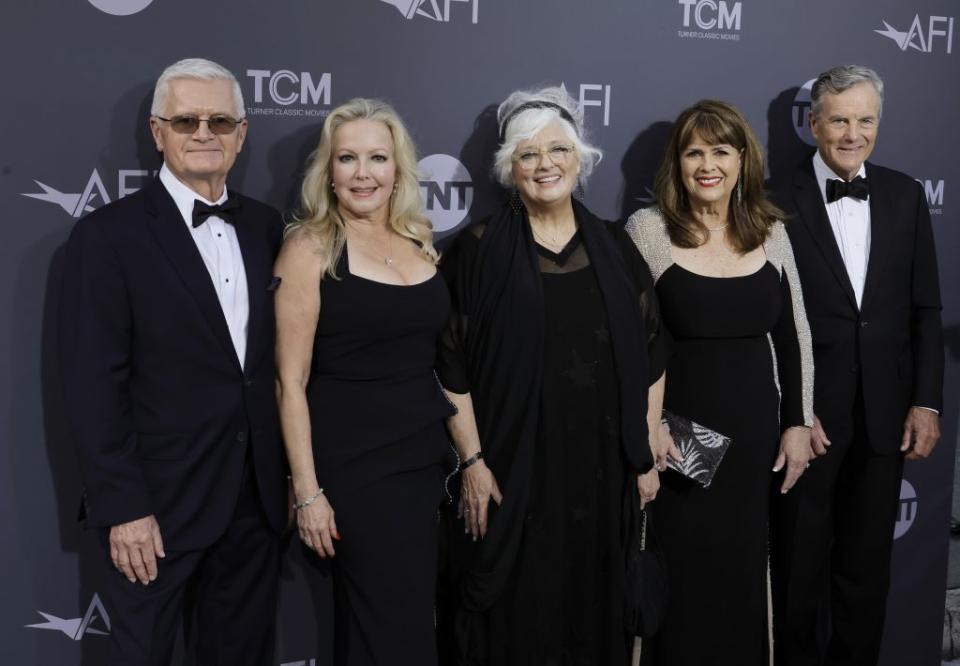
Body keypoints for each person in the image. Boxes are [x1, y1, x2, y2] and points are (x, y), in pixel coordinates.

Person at [58, 58, 287, 665]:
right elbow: (92, 385)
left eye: (219, 120)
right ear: (158, 132)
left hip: (254, 504)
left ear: (242, 134)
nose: (203, 133)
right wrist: (124, 507)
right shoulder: (107, 238)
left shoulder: (268, 229)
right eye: (186, 120)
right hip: (154, 509)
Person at [436, 86, 669, 666]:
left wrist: (641, 452)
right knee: (517, 611)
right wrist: (472, 461)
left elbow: (652, 352)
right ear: (509, 168)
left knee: (595, 607)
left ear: (580, 158)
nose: (546, 166)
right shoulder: (478, 250)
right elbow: (449, 363)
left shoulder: (616, 245)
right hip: (514, 469)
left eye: (558, 150)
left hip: (601, 466)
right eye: (528, 154)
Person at [625, 99, 814, 666]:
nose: (708, 164)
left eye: (721, 151)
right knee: (681, 572)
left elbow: (794, 332)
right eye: (694, 152)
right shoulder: (649, 230)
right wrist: (647, 430)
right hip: (679, 440)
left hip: (756, 437)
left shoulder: (768, 229)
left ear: (742, 159)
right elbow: (629, 344)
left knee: (741, 573)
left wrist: (798, 425)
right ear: (677, 163)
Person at [771, 65, 943, 666]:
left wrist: (925, 401)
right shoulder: (772, 201)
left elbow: (925, 308)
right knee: (795, 571)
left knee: (867, 574)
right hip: (807, 423)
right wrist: (794, 410)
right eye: (839, 120)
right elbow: (765, 322)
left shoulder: (904, 194)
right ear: (813, 123)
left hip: (884, 417)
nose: (852, 133)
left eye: (865, 120)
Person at [274, 98, 455, 666]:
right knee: (389, 628)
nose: (362, 173)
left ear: (397, 169)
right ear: (327, 170)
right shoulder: (309, 247)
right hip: (354, 469)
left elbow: (442, 363)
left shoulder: (419, 240)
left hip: (423, 464)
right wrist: (306, 491)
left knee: (399, 623)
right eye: (346, 158)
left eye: (377, 158)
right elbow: (289, 380)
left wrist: (469, 457)